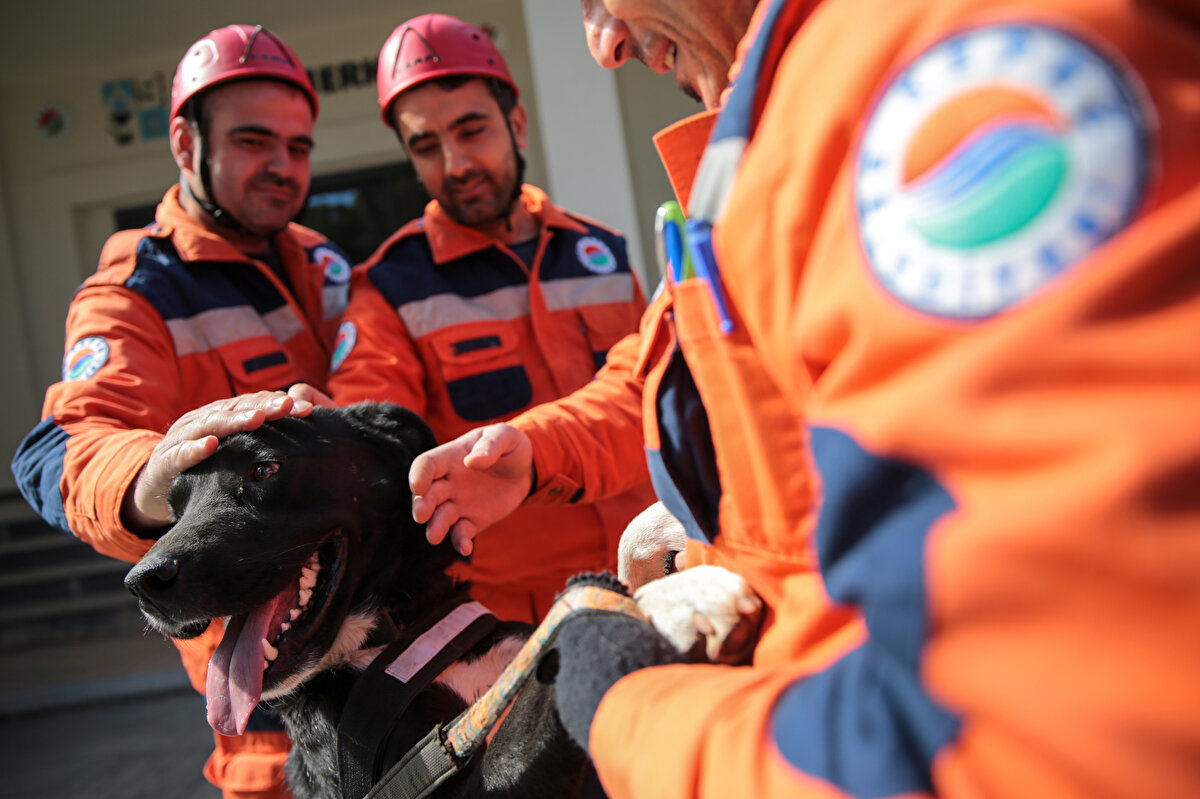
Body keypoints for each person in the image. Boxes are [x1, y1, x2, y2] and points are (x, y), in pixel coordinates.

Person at [410, 1, 1200, 797]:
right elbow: (666, 364)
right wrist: (539, 449)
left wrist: (626, 703)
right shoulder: (775, 122)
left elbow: (1030, 736)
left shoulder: (905, 74)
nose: (605, 43)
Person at [11, 24, 350, 799]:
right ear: (185, 143)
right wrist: (153, 474)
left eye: (299, 147)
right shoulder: (136, 290)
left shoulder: (326, 264)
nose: (283, 167)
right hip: (267, 688)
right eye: (254, 141)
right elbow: (67, 442)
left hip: (382, 643)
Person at [323, 12, 656, 623]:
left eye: (472, 130)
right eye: (426, 146)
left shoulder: (600, 255)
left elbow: (647, 399)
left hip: (650, 577)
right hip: (515, 626)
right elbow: (370, 445)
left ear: (518, 124)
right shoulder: (389, 291)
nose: (455, 164)